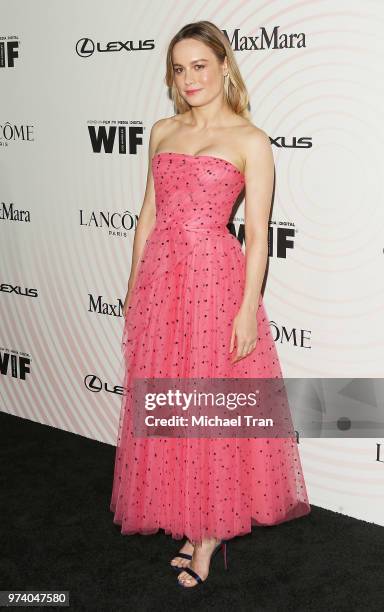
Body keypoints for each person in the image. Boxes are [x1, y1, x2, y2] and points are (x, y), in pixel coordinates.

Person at [110, 20, 311, 589]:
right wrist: (132, 290)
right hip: (161, 281)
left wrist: (248, 307)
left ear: (224, 65)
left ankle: (209, 535)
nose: (189, 78)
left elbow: (257, 234)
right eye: (179, 68)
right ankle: (186, 514)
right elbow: (146, 215)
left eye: (200, 65)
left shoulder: (251, 140)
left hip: (214, 282)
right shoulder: (162, 130)